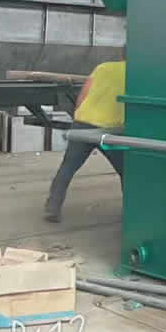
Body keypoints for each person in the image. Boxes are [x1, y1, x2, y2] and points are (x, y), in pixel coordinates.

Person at [44, 56, 126, 223]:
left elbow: (83, 95)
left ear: (121, 55)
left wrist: (78, 117)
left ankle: (52, 207)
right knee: (126, 172)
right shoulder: (137, 75)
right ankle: (130, 212)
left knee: (67, 167)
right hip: (110, 130)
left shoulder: (102, 67)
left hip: (83, 125)